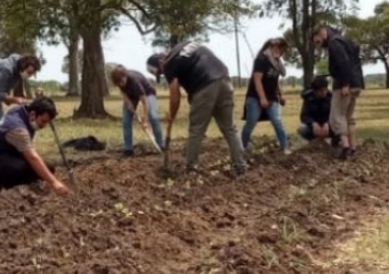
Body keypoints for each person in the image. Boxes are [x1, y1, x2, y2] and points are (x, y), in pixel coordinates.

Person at [150, 42, 247, 176]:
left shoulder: (168, 63)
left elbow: (175, 96)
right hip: (224, 80)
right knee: (230, 128)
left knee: (196, 131)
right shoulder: (185, 45)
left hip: (204, 86)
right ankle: (241, 166)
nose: (163, 74)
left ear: (160, 61)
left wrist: (171, 116)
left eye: (160, 72)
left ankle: (191, 170)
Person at [0, 97, 70, 194]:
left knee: (48, 168)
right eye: (43, 121)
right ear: (33, 114)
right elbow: (32, 157)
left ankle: (27, 185)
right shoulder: (18, 129)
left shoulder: (23, 110)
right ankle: (5, 187)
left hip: (9, 154)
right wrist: (54, 182)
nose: (44, 126)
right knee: (21, 169)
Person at [312, 26, 364, 159]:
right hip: (356, 82)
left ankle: (345, 148)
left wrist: (345, 84)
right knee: (348, 118)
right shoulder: (344, 39)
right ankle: (353, 148)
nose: (319, 45)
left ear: (322, 33)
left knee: (336, 117)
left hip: (344, 85)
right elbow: (354, 60)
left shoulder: (334, 42)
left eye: (317, 41)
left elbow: (343, 62)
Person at [240, 37, 290, 152]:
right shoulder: (261, 59)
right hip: (255, 96)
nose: (281, 52)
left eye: (282, 50)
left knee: (277, 121)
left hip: (272, 96)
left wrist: (280, 95)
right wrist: (262, 98)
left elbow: (274, 79)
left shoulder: (277, 62)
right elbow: (257, 80)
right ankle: (242, 146)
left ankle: (285, 147)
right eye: (279, 48)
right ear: (271, 47)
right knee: (251, 121)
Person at [0, 53, 42, 132]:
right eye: (29, 72)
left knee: (1, 123)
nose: (29, 76)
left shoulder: (18, 72)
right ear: (23, 66)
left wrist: (18, 100)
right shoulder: (6, 69)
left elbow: (7, 95)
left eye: (32, 74)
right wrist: (15, 100)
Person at [110, 64, 164, 155]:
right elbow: (123, 92)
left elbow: (145, 101)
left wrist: (145, 119)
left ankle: (161, 145)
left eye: (122, 81)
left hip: (147, 93)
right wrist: (129, 103)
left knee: (153, 117)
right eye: (118, 83)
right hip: (131, 96)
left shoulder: (134, 81)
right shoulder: (119, 80)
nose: (121, 84)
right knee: (126, 121)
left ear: (125, 76)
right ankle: (128, 149)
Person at [298, 76, 334, 142]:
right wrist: (313, 123)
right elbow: (304, 115)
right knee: (302, 129)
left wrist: (327, 123)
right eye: (321, 91)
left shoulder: (331, 97)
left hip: (329, 124)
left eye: (325, 90)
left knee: (340, 127)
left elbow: (335, 114)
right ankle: (314, 141)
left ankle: (333, 142)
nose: (324, 92)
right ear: (314, 91)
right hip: (315, 125)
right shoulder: (308, 98)